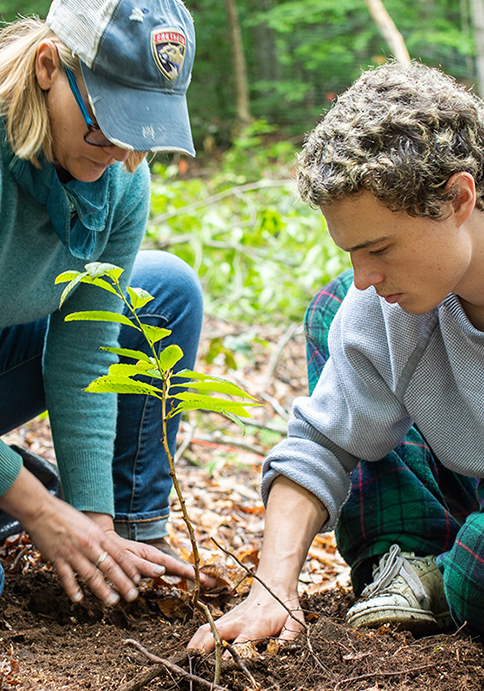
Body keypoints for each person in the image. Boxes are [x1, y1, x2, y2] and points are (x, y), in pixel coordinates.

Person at [189, 60, 484, 651]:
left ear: (457, 196)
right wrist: (272, 589)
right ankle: (414, 560)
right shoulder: (384, 306)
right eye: (351, 251)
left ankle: (452, 570)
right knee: (332, 308)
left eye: (379, 248)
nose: (365, 278)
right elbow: (319, 445)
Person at [0, 0, 215, 637]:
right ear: (48, 66)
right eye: (108, 124)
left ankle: (127, 538)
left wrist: (94, 520)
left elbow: (87, 349)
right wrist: (38, 508)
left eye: (144, 129)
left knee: (162, 288)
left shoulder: (122, 172)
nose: (125, 152)